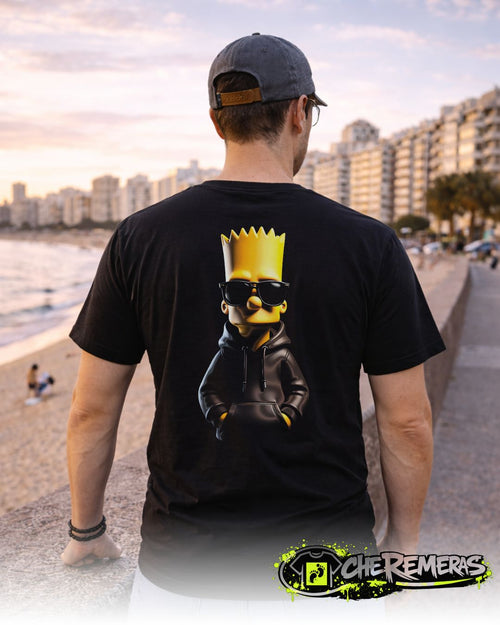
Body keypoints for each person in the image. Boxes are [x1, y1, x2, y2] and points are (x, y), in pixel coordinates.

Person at [61, 33, 445, 616]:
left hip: (182, 574)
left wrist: (87, 531)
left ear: (217, 122)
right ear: (299, 113)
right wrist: (402, 546)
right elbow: (408, 420)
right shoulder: (371, 245)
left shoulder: (140, 238)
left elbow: (91, 410)